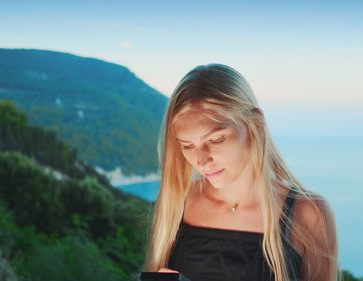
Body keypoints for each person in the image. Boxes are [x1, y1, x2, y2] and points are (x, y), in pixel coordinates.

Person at [145, 64, 338, 281]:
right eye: (188, 145)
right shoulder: (178, 203)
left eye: (216, 139)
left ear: (255, 124)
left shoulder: (309, 213)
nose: (201, 161)